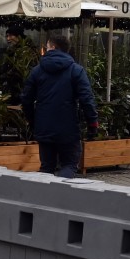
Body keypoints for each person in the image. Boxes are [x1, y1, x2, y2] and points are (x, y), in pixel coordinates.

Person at [20, 31, 97, 178]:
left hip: (44, 126)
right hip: (68, 128)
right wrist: (92, 124)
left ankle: (43, 198)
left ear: (53, 47)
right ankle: (62, 196)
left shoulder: (37, 71)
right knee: (69, 164)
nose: (45, 49)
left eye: (47, 46)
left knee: (46, 167)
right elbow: (86, 99)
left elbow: (26, 99)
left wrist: (32, 120)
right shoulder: (76, 70)